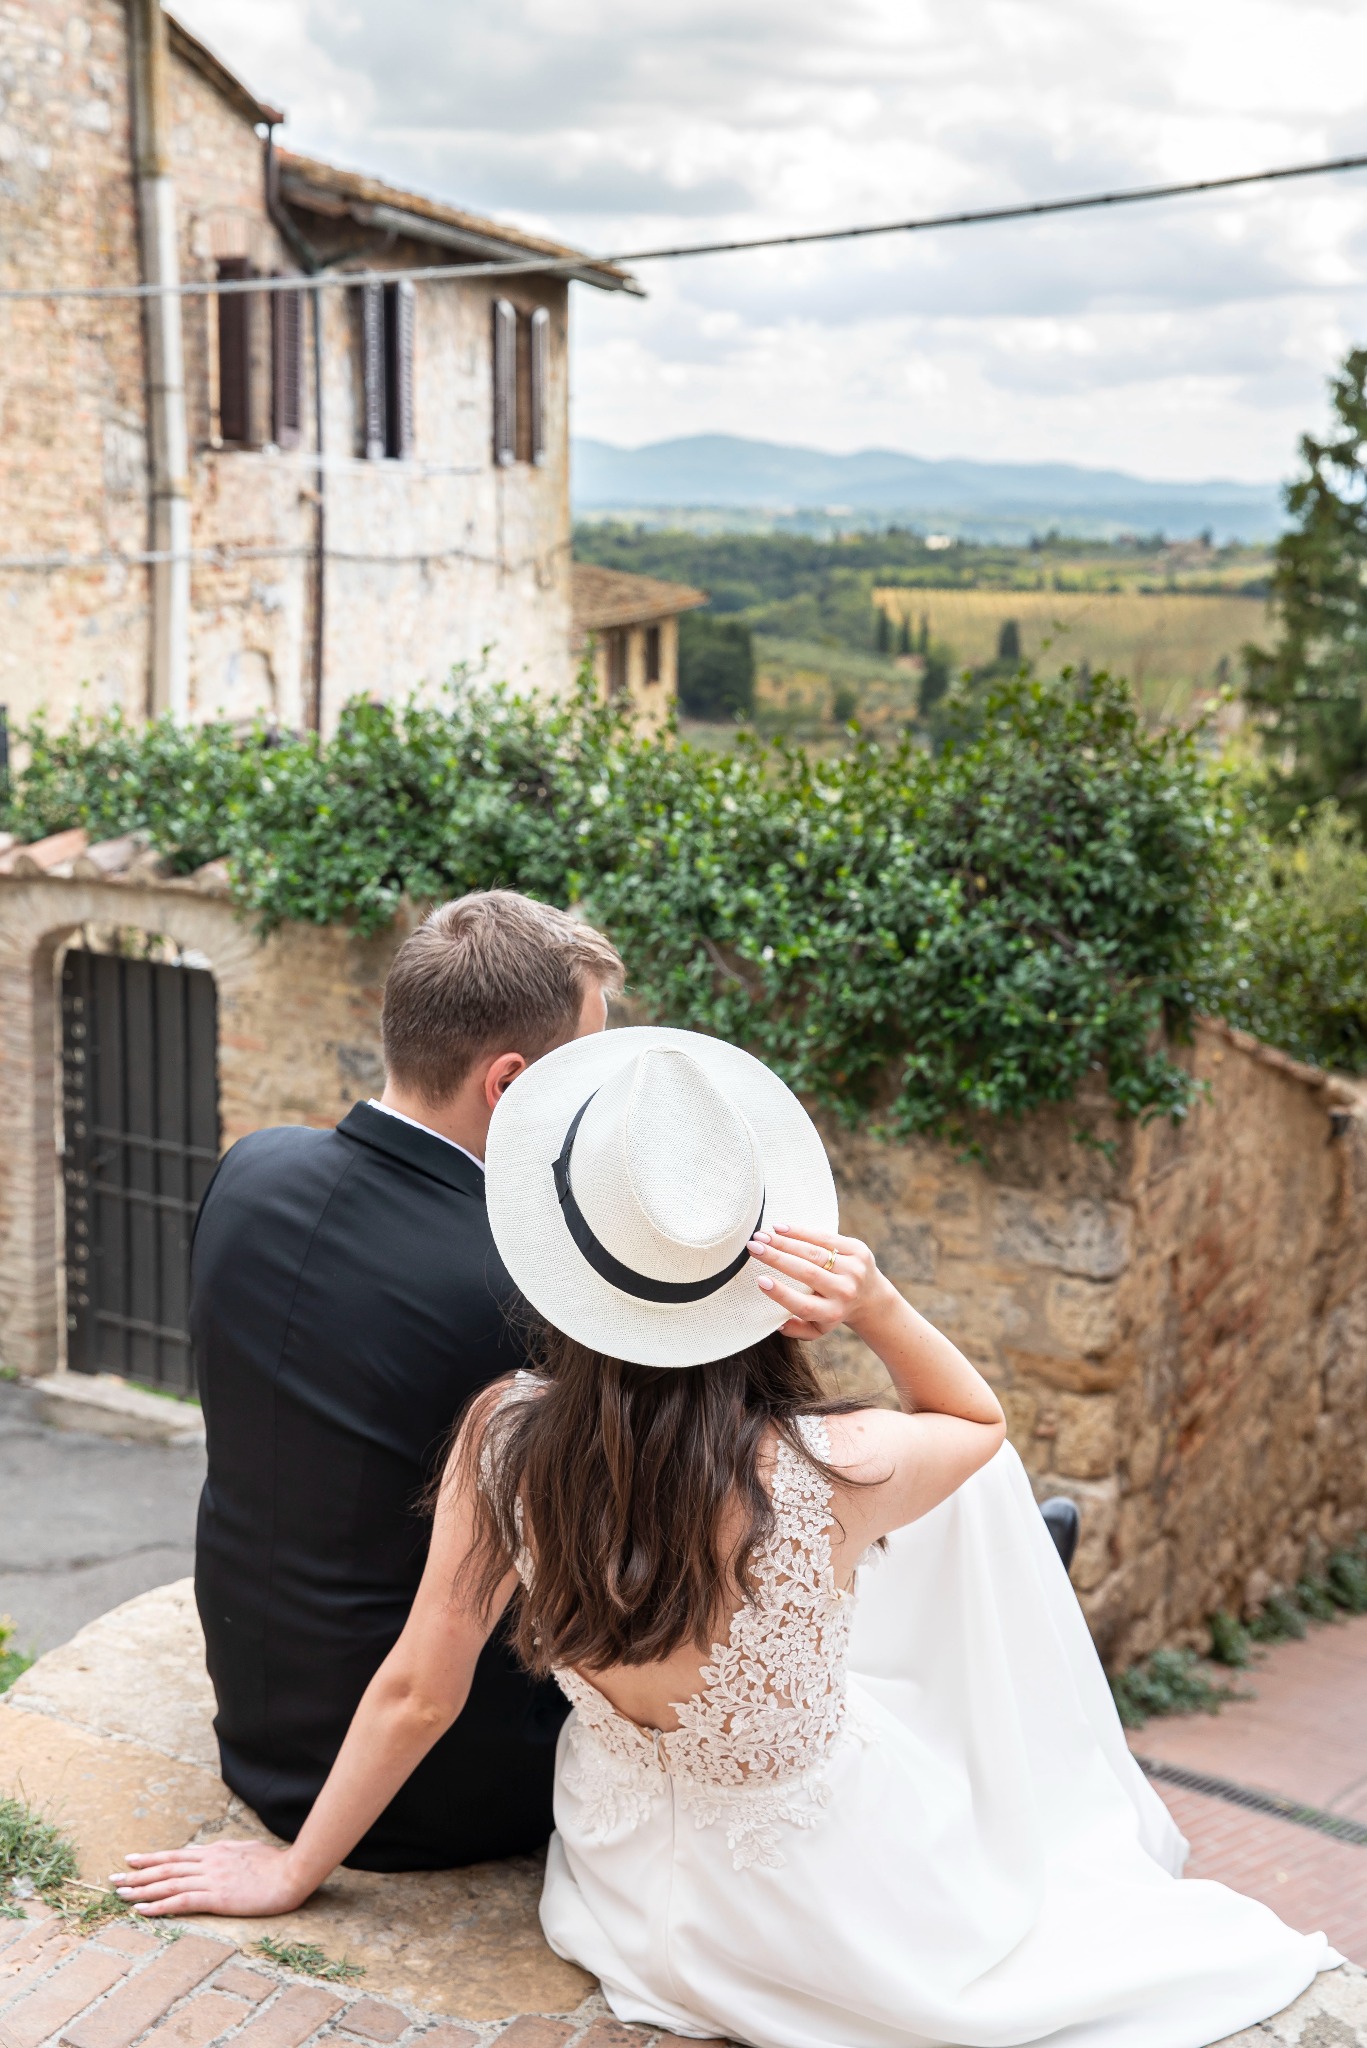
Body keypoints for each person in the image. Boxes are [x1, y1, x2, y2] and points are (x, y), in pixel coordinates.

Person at [129, 1026, 1337, 2047]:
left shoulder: (500, 1436)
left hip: (611, 1894)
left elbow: (415, 1687)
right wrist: (874, 1300)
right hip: (819, 1914)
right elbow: (978, 1418)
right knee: (956, 1530)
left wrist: (293, 1869)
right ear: (754, 1265)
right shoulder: (828, 1458)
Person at [188, 891, 623, 1869]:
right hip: (440, 1782)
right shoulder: (526, 1286)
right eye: (587, 1065)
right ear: (507, 1084)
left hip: (257, 1721)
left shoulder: (248, 1171)